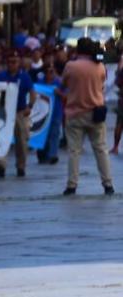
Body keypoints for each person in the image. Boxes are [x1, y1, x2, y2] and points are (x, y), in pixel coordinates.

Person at [61, 38, 114, 195]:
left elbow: (64, 83)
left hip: (75, 113)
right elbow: (102, 85)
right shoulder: (100, 67)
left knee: (74, 151)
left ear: (78, 50)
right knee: (101, 149)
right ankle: (108, 184)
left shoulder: (71, 66)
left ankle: (72, 185)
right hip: (96, 112)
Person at [0, 51, 37, 178]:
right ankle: (0, 164)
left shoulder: (24, 77)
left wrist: (30, 106)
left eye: (15, 62)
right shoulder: (1, 76)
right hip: (5, 112)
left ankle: (21, 166)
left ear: (19, 63)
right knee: (2, 139)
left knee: (22, 142)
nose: (12, 64)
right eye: (10, 62)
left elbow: (33, 93)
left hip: (20, 112)